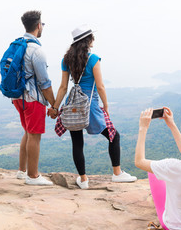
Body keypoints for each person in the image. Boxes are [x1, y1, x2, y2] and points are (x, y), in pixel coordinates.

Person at [51, 24, 137, 189]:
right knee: (113, 136)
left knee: (77, 143)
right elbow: (100, 86)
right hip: (90, 105)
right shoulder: (93, 59)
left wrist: (55, 108)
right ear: (88, 40)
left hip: (73, 103)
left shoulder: (66, 60)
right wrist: (105, 105)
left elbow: (62, 87)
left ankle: (83, 180)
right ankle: (117, 173)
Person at [11, 10, 57, 186]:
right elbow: (45, 82)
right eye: (42, 24)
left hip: (18, 98)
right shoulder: (36, 50)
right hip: (33, 99)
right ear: (38, 25)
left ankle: (22, 171)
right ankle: (33, 176)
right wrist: (54, 104)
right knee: (35, 135)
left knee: (28, 132)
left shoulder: (17, 45)